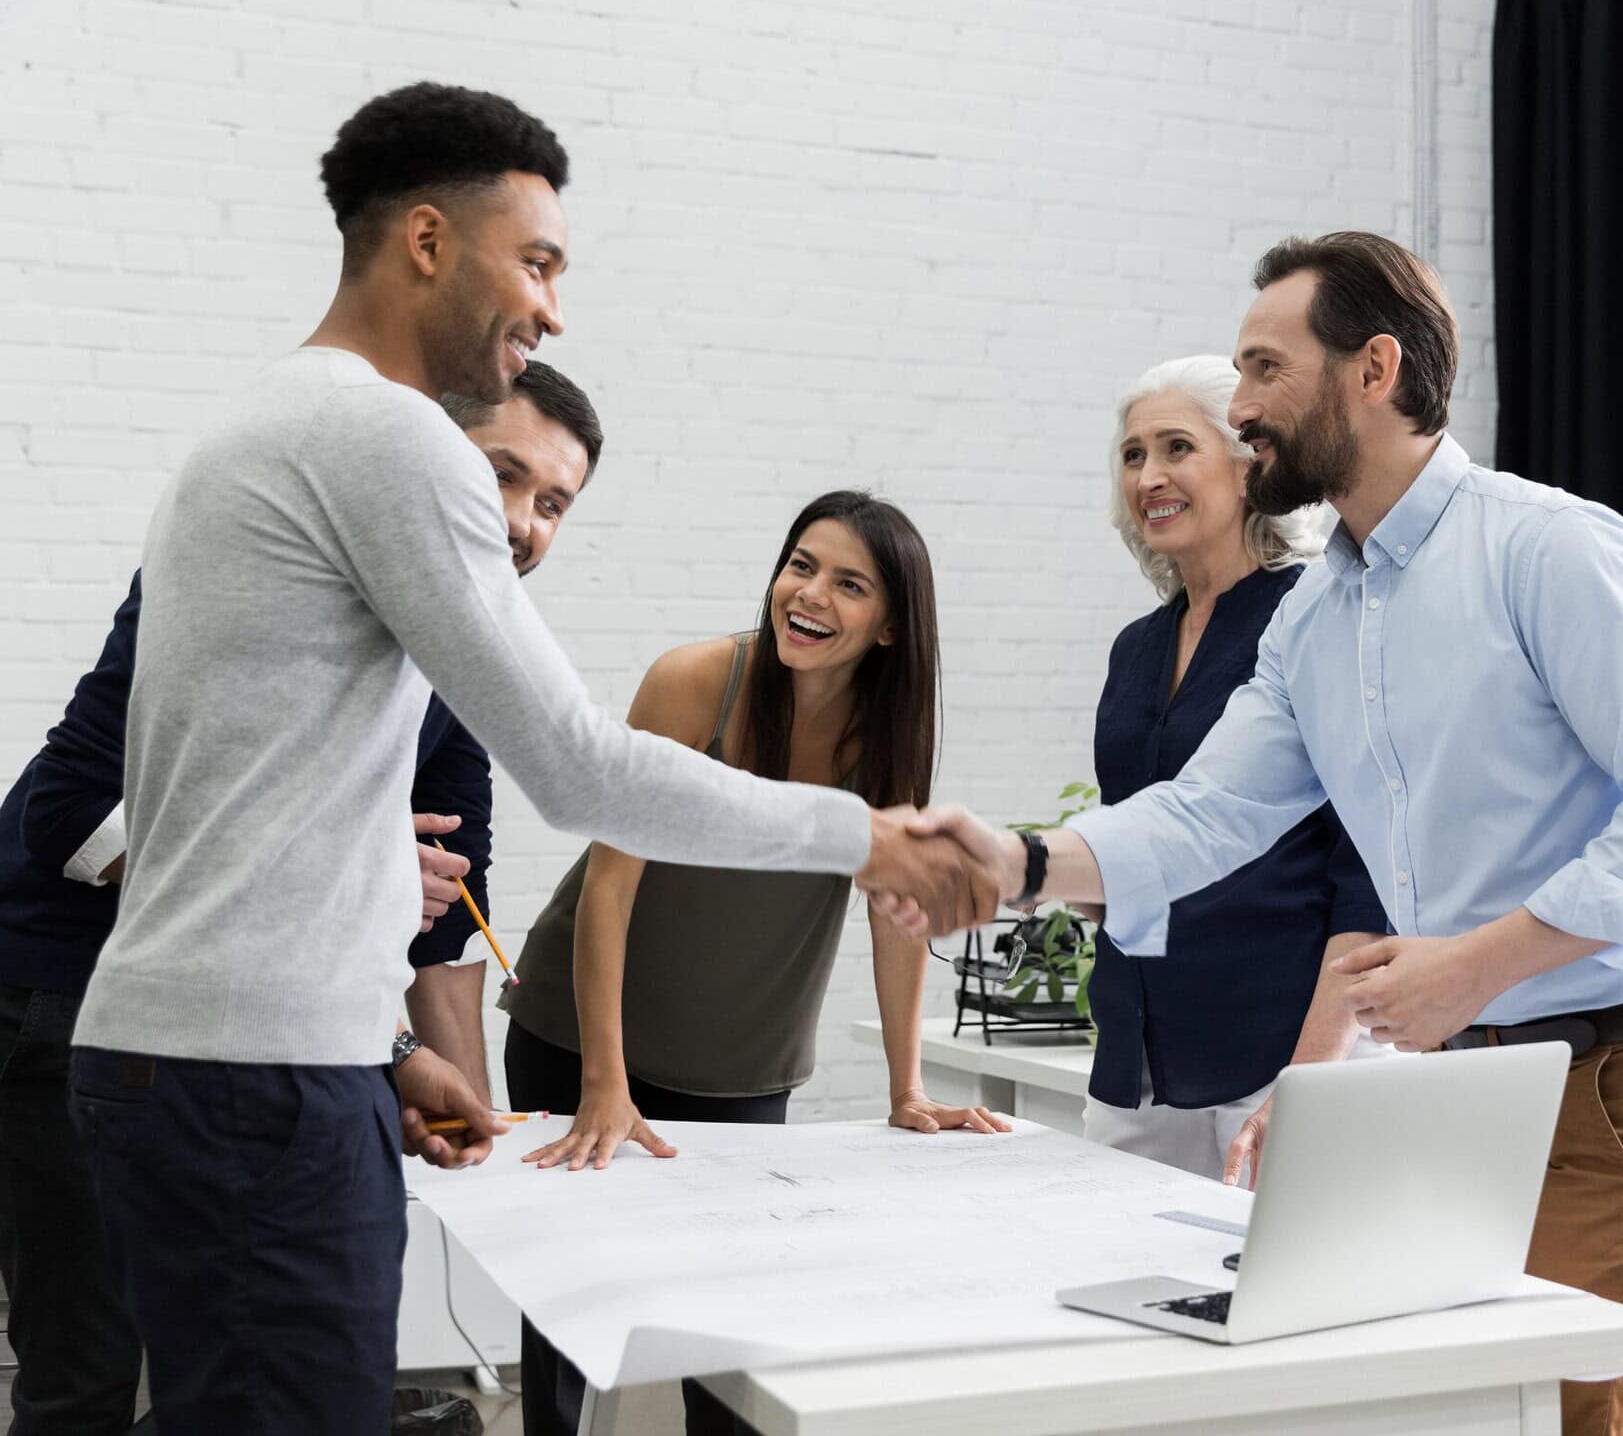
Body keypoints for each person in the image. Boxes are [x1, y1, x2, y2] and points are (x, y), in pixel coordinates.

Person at [64, 81, 983, 1434]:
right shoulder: (391, 439)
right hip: (250, 1090)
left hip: (214, 1066)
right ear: (427, 243)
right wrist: (868, 835)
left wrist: (375, 1046)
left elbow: (246, 812)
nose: (553, 309)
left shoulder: (265, 424)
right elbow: (581, 769)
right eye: (538, 262)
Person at [890, 231, 1623, 1436]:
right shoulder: (1317, 615)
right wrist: (1021, 866)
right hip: (1455, 1081)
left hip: (1612, 1072)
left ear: (1373, 370)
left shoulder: (1547, 549)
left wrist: (1476, 961)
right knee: (1441, 1408)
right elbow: (1208, 814)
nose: (1240, 406)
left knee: (1562, 1415)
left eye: (1261, 369)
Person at [0, 359, 601, 1436]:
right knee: (89, 1373)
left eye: (552, 502)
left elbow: (450, 916)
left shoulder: (463, 644)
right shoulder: (253, 563)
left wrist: (466, 1110)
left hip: (245, 1035)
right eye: (500, 476)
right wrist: (361, 862)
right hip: (65, 1000)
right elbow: (74, 809)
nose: (519, 522)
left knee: (234, 1371)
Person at [499, 489, 1008, 1436]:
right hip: (579, 1040)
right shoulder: (698, 682)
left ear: (892, 627)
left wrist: (907, 1086)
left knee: (725, 1339)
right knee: (568, 1315)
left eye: (849, 584)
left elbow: (895, 914)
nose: (808, 595)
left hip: (743, 1061)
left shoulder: (887, 735)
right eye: (801, 565)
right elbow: (610, 884)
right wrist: (604, 1085)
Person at [1085, 355, 1387, 1179]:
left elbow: (1367, 871)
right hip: (1137, 1066)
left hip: (1282, 1054)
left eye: (1178, 447)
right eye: (1133, 454)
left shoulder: (1319, 618)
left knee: (1283, 1305)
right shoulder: (1136, 649)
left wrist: (1312, 1076)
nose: (1150, 475)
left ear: (1252, 462)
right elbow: (1140, 846)